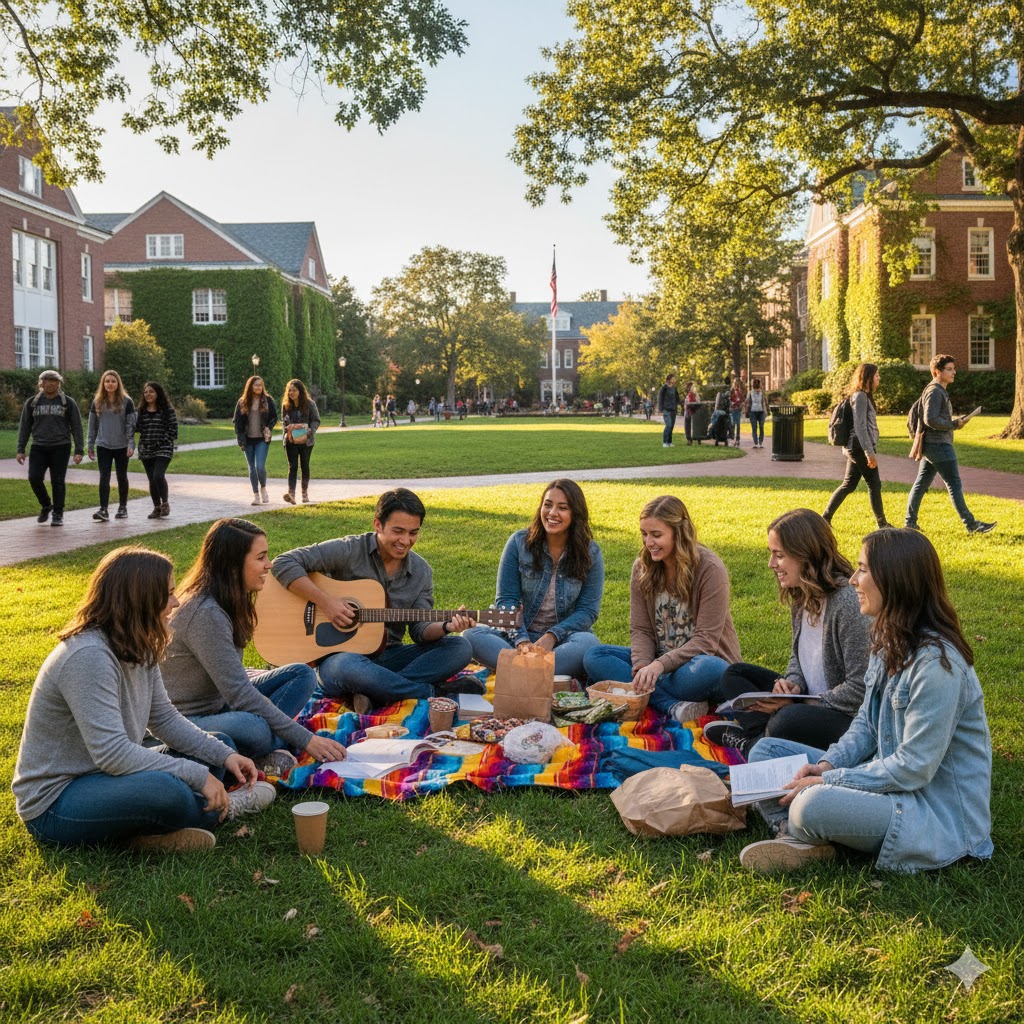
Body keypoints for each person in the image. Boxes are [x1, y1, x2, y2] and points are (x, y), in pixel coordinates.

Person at [739, 528, 992, 873]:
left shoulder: (936, 665)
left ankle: (802, 827)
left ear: (894, 580)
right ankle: (795, 835)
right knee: (764, 753)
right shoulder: (886, 639)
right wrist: (827, 765)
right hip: (885, 783)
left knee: (811, 803)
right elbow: (866, 725)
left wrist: (829, 781)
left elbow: (913, 768)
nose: (854, 580)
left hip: (926, 810)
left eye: (863, 570)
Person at [12, 546, 276, 853]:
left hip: (109, 777)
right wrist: (197, 775)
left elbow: (164, 718)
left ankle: (148, 833)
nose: (175, 603)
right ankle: (219, 809)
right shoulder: (89, 657)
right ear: (139, 601)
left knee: (218, 747)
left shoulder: (139, 643)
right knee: (167, 791)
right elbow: (112, 754)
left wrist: (222, 756)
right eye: (168, 594)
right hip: (58, 800)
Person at [163, 519, 347, 776]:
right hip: (190, 720)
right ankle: (260, 752)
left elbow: (237, 689)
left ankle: (260, 749)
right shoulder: (205, 613)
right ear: (233, 566)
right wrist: (306, 739)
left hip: (222, 706)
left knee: (302, 674)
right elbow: (240, 694)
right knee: (255, 729)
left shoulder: (228, 600)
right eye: (261, 557)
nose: (269, 565)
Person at [271, 488, 477, 709]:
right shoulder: (349, 549)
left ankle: (375, 690)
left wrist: (446, 626)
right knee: (347, 666)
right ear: (378, 524)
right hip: (338, 659)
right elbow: (283, 562)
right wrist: (327, 603)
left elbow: (420, 631)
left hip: (390, 656)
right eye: (398, 531)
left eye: (413, 533)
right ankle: (430, 691)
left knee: (460, 647)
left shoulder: (421, 571)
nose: (405, 541)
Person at [705, 509, 869, 756]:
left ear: (805, 555)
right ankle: (764, 737)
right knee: (734, 675)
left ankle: (754, 743)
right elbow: (799, 656)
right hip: (808, 700)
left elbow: (860, 689)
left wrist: (800, 702)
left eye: (779, 555)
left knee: (787, 720)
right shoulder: (801, 595)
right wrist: (792, 683)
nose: (772, 564)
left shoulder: (846, 604)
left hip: (845, 716)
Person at [583, 495, 741, 723]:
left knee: (713, 668)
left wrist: (658, 666)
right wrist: (641, 667)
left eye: (656, 535)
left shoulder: (710, 569)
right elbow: (641, 629)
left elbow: (706, 641)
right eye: (644, 534)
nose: (649, 543)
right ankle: (671, 706)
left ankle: (642, 692)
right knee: (595, 656)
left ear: (679, 533)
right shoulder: (642, 568)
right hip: (660, 665)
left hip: (696, 667)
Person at [465, 479, 604, 679]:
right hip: (515, 635)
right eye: (547, 505)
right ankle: (539, 674)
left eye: (562, 508)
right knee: (471, 636)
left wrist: (552, 636)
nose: (552, 513)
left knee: (589, 645)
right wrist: (521, 642)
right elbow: (506, 601)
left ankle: (517, 672)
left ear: (575, 514)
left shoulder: (591, 553)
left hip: (562, 641)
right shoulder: (519, 543)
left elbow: (588, 612)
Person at [904, 354, 995, 534]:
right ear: (937, 372)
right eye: (949, 369)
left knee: (921, 483)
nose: (954, 372)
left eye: (953, 368)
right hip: (938, 445)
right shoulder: (935, 391)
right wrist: (953, 424)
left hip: (933, 445)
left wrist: (955, 422)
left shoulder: (937, 390)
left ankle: (910, 522)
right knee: (954, 483)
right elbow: (930, 419)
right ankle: (971, 524)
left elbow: (935, 417)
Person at [822, 363, 890, 528]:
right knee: (874, 484)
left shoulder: (863, 396)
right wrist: (869, 452)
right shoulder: (859, 397)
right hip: (859, 447)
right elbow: (860, 426)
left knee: (849, 484)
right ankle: (882, 524)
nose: (879, 378)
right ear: (867, 377)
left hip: (857, 446)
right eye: (876, 375)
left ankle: (825, 518)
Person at [16, 369, 84, 527]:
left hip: (61, 447)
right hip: (39, 447)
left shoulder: (67, 402)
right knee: (34, 477)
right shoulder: (32, 402)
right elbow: (24, 427)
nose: (50, 384)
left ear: (59, 383)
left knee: (58, 481)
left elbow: (77, 427)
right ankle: (46, 504)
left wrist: (79, 450)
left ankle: (58, 514)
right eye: (46, 381)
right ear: (41, 384)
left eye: (54, 381)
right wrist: (20, 449)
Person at [87, 369, 137, 522]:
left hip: (121, 445)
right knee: (104, 477)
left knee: (122, 476)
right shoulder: (97, 401)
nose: (110, 384)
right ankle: (104, 509)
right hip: (103, 445)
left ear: (118, 383)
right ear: (103, 383)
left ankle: (123, 507)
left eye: (113, 381)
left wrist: (130, 443)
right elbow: (92, 425)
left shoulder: (127, 401)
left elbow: (131, 424)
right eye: (107, 381)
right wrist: (90, 444)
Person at [135, 380, 178, 519]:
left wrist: (160, 442)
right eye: (146, 392)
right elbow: (136, 428)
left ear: (158, 393)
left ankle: (165, 503)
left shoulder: (167, 410)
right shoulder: (141, 411)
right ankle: (156, 507)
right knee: (151, 479)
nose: (148, 394)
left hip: (163, 448)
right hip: (146, 449)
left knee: (158, 475)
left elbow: (173, 431)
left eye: (151, 391)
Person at [232, 375, 277, 505]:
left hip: (262, 438)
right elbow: (237, 422)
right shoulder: (242, 401)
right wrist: (240, 440)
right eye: (256, 385)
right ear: (250, 386)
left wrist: (269, 427)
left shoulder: (268, 400)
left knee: (260, 467)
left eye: (260, 385)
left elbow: (274, 417)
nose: (258, 387)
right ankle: (256, 495)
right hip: (247, 439)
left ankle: (263, 487)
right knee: (252, 468)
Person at [280, 378, 320, 504]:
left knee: (304, 466)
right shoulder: (286, 405)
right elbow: (283, 423)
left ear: (300, 391)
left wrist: (309, 430)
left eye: (294, 390)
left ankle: (304, 493)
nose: (291, 393)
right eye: (289, 391)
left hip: (306, 441)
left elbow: (316, 420)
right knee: (292, 467)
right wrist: (286, 432)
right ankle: (291, 494)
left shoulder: (310, 404)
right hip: (291, 440)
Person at [657, 373, 680, 447]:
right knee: (668, 425)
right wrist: (661, 408)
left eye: (674, 379)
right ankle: (664, 442)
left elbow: (677, 398)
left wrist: (679, 405)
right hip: (666, 409)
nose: (674, 380)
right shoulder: (664, 387)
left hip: (673, 409)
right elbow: (660, 398)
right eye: (673, 378)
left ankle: (669, 442)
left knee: (672, 426)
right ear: (669, 379)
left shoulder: (674, 388)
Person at [745, 377, 767, 449]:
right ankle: (756, 442)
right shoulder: (750, 392)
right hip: (753, 412)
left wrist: (768, 410)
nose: (756, 384)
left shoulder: (762, 392)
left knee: (761, 426)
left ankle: (760, 442)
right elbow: (747, 402)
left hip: (761, 412)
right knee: (755, 427)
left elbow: (766, 402)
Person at [728, 376, 745, 447]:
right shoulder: (731, 391)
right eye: (735, 383)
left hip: (738, 409)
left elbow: (742, 400)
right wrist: (731, 403)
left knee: (738, 425)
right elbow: (729, 399)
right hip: (733, 410)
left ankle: (737, 439)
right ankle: (732, 437)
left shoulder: (740, 391)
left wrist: (741, 405)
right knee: (732, 424)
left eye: (737, 383)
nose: (736, 384)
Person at [682, 381, 700, 445]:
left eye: (694, 386)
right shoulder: (689, 395)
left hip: (695, 412)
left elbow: (698, 403)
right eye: (693, 386)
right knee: (687, 425)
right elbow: (686, 405)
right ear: (690, 388)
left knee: (695, 426)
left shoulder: (696, 395)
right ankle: (689, 439)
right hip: (689, 412)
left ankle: (697, 438)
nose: (694, 388)